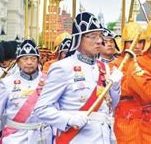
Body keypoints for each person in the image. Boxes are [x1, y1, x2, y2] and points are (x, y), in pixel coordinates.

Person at [34, 12, 122, 143]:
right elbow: (41, 109)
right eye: (93, 36)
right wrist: (68, 119)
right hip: (76, 137)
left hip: (103, 137)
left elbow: (111, 106)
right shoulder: (63, 67)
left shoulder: (104, 67)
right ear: (79, 38)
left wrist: (115, 87)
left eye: (100, 35)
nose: (99, 41)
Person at [0, 39, 52, 144]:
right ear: (18, 62)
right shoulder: (6, 83)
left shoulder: (49, 80)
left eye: (33, 59)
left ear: (38, 61)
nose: (29, 62)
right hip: (15, 137)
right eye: (25, 59)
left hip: (42, 136)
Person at [110, 20, 145, 144]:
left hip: (147, 120)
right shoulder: (114, 65)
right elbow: (117, 91)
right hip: (125, 119)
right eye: (132, 42)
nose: (137, 46)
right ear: (124, 44)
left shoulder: (147, 62)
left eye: (140, 42)